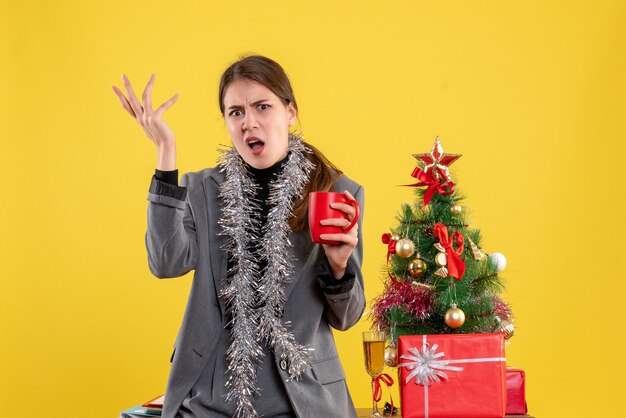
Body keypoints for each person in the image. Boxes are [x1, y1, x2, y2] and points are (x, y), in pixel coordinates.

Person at [112, 55, 365, 418]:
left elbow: (347, 317)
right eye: (235, 112)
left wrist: (339, 266)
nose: (249, 123)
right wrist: (166, 156)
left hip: (301, 399)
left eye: (262, 107)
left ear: (290, 112)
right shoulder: (202, 189)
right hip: (210, 398)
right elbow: (165, 263)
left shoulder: (336, 191)